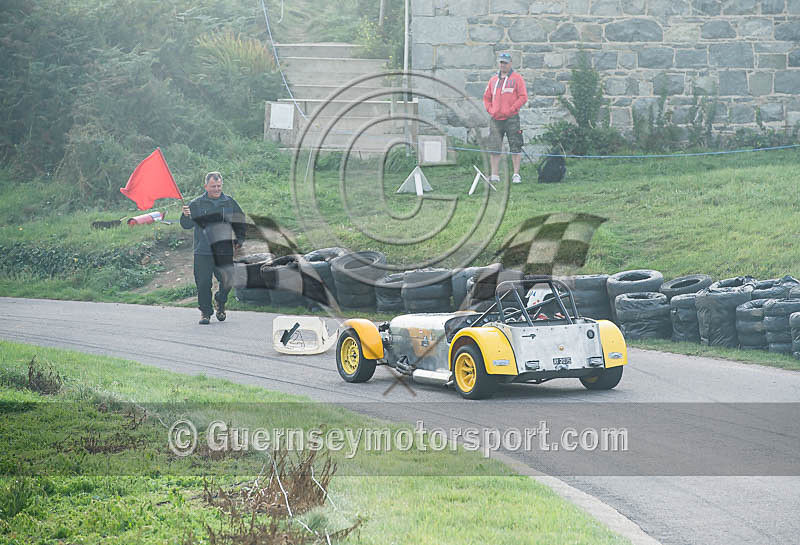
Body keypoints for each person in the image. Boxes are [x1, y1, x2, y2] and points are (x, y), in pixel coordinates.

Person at [181, 172, 246, 324]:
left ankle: (220, 301)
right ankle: (205, 312)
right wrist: (185, 216)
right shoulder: (196, 204)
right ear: (206, 187)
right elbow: (186, 225)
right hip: (202, 251)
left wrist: (239, 238)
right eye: (213, 186)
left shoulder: (229, 202)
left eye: (219, 186)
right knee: (203, 283)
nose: (217, 189)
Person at [483, 52, 528, 184]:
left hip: (512, 118)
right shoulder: (493, 80)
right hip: (496, 118)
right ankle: (495, 174)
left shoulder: (517, 79)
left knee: (516, 144)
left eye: (505, 63)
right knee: (494, 146)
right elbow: (486, 97)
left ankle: (516, 174)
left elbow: (523, 97)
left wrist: (512, 109)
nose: (503, 65)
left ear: (510, 64)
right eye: (501, 62)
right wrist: (491, 110)